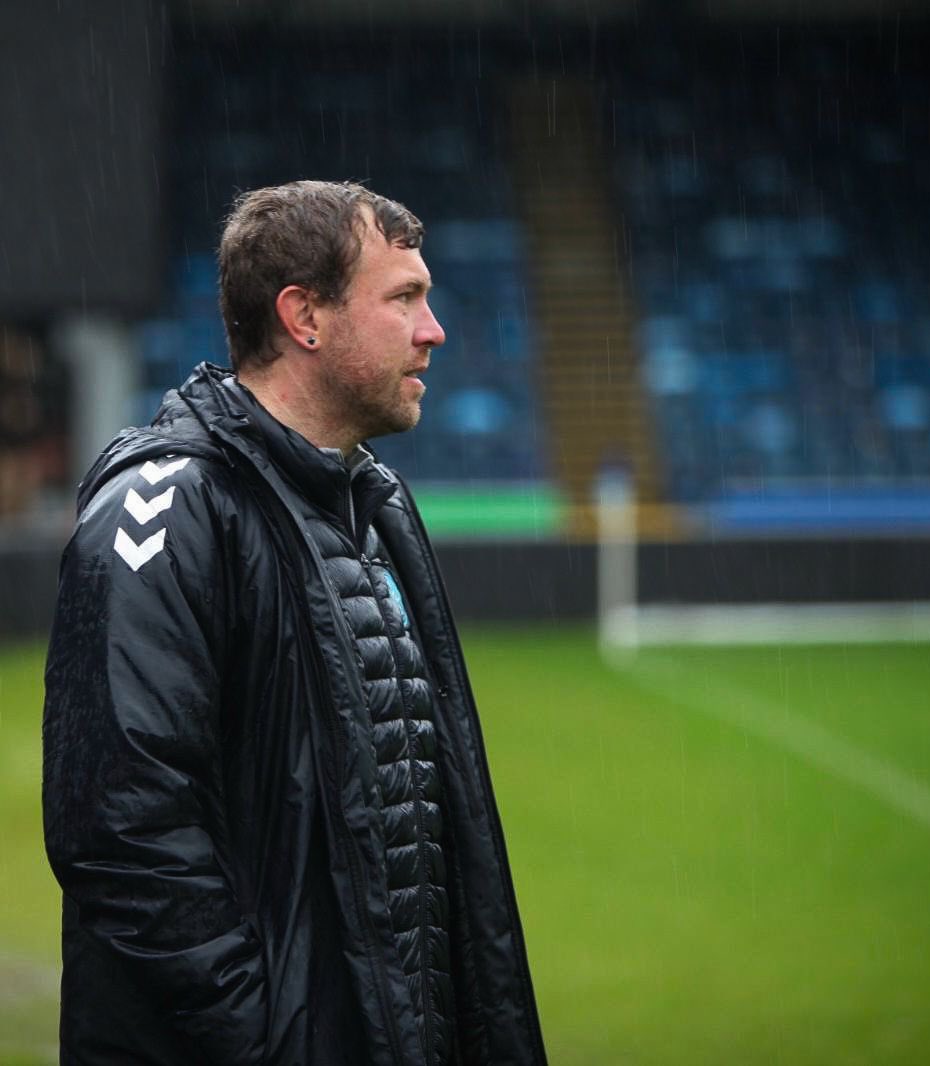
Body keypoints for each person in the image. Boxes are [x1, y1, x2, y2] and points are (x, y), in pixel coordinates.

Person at [43, 180, 546, 1065]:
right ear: (303, 317)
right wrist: (264, 1034)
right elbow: (122, 833)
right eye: (404, 299)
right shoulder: (164, 509)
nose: (434, 331)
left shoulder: (373, 503)